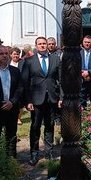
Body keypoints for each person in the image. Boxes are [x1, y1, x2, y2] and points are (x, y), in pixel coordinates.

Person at [22, 37, 62, 165]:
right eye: (40, 44)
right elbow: (25, 82)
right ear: (36, 45)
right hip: (36, 99)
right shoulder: (29, 61)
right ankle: (34, 153)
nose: (43, 46)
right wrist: (28, 101)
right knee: (35, 126)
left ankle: (49, 151)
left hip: (51, 97)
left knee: (50, 125)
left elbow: (61, 79)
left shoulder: (55, 59)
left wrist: (61, 97)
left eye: (44, 44)